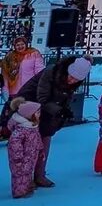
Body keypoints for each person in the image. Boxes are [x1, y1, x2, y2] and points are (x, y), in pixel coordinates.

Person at [11, 54, 91, 188]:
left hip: (48, 109)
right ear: (67, 70)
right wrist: (58, 110)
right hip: (29, 105)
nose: (72, 81)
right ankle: (24, 179)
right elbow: (42, 97)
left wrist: (65, 110)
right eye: (71, 77)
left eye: (76, 80)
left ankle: (40, 175)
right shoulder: (51, 72)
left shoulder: (73, 81)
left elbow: (66, 97)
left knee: (45, 139)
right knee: (29, 146)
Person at [7, 101, 42, 197]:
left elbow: (37, 139)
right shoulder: (20, 130)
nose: (39, 115)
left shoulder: (32, 127)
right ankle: (19, 193)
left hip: (29, 157)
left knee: (27, 173)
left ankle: (27, 188)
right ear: (29, 115)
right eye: (37, 113)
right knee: (19, 176)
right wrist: (17, 159)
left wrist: (40, 149)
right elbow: (14, 145)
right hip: (20, 160)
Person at [1, 35, 43, 101]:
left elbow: (39, 70)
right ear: (14, 46)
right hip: (14, 92)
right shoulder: (9, 57)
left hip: (29, 89)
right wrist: (5, 90)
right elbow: (5, 75)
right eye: (18, 45)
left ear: (26, 44)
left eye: (22, 44)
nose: (20, 47)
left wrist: (40, 85)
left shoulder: (34, 54)